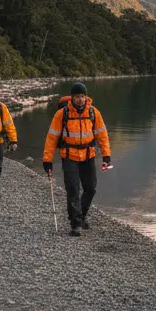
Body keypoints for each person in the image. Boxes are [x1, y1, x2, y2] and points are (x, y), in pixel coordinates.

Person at [42, 83, 111, 237]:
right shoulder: (62, 114)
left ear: (86, 97)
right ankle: (75, 224)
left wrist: (106, 155)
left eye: (82, 96)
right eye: (77, 96)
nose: (80, 99)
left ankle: (81, 216)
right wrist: (47, 159)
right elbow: (52, 138)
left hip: (88, 155)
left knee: (91, 188)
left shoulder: (93, 113)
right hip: (69, 156)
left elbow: (102, 135)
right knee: (73, 189)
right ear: (72, 98)